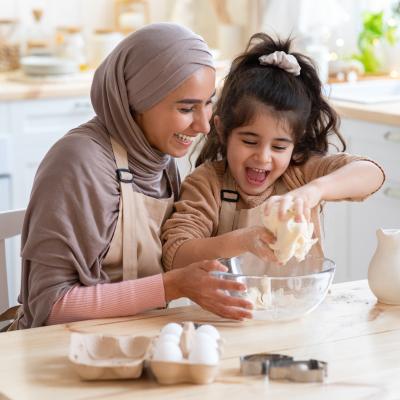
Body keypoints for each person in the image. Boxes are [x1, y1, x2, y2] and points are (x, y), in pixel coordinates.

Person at [10, 23, 253, 330]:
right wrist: (172, 286)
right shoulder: (78, 162)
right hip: (60, 350)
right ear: (137, 101)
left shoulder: (159, 158)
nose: (204, 126)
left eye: (208, 103)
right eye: (186, 108)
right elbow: (48, 307)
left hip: (135, 340)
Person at [161, 33, 385, 271]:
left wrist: (314, 191)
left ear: (295, 144)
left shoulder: (300, 173)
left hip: (301, 305)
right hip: (224, 308)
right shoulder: (207, 184)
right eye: (249, 141)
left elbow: (372, 174)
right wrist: (243, 241)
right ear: (222, 130)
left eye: (279, 147)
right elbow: (176, 255)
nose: (263, 157)